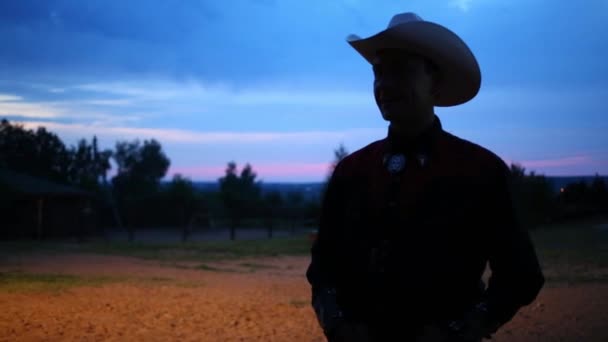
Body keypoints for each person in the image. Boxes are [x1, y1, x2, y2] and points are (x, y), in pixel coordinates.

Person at [306, 12, 545, 342]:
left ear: (434, 82)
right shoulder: (352, 171)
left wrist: (460, 332)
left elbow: (521, 275)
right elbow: (323, 268)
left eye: (400, 71)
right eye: (378, 73)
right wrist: (336, 326)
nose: (384, 85)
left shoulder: (481, 170)